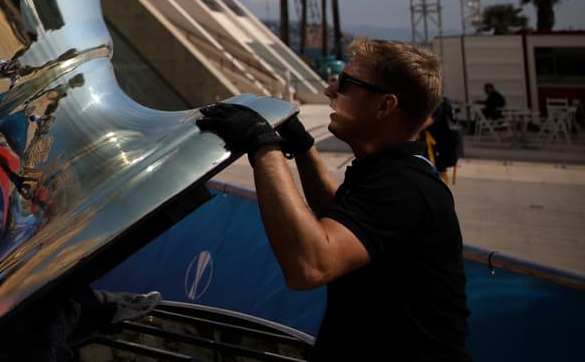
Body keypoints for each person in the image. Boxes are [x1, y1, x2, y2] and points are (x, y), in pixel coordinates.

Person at [196, 38, 471, 361]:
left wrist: (262, 145)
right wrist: (301, 145)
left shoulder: (404, 188)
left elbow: (310, 265)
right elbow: (337, 208)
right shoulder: (389, 171)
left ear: (385, 106)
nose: (330, 90)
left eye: (345, 83)